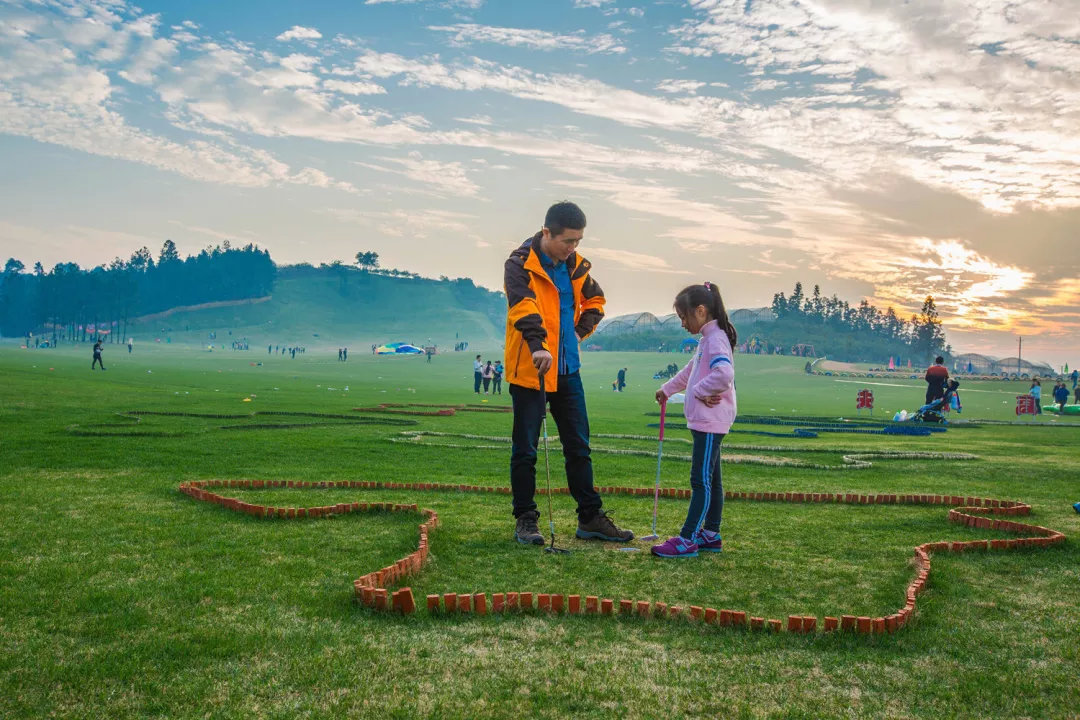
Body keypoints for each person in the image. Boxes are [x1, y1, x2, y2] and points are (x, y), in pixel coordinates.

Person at [504, 200, 632, 545]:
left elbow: (596, 302)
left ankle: (590, 518)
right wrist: (538, 345)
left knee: (579, 446)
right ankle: (526, 520)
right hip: (532, 369)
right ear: (547, 232)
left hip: (568, 370)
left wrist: (577, 333)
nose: (573, 248)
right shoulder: (519, 265)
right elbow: (523, 306)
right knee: (526, 450)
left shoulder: (576, 266)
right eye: (568, 241)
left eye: (578, 241)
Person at [652, 281, 737, 558]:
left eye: (683, 316)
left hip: (710, 422)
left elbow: (724, 375)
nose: (682, 323)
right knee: (712, 479)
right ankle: (711, 534)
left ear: (700, 311)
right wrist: (667, 389)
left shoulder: (715, 340)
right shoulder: (707, 340)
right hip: (708, 422)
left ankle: (688, 538)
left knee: (700, 481)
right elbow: (691, 371)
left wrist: (700, 392)